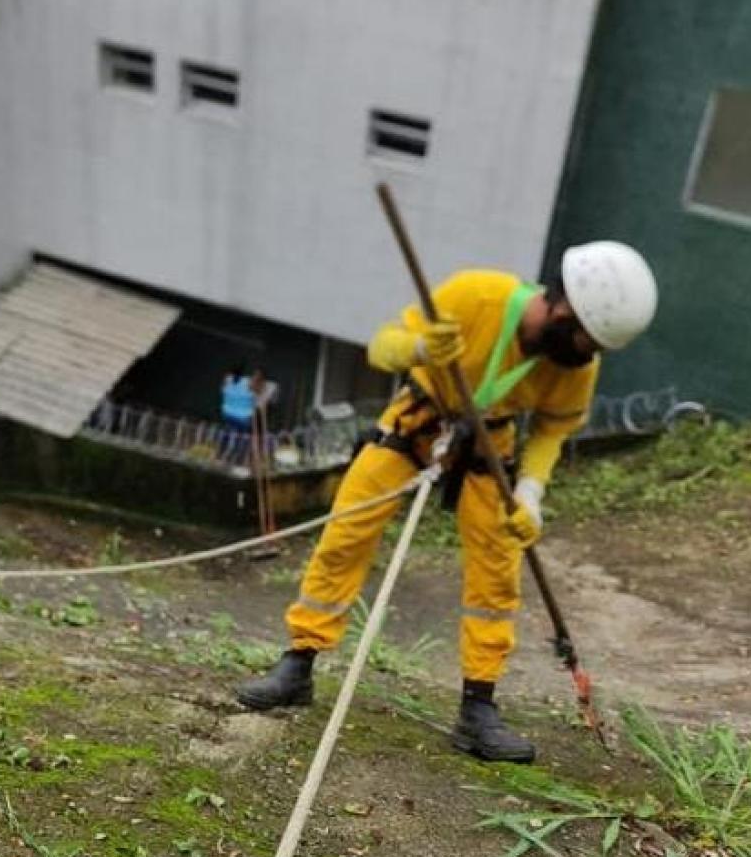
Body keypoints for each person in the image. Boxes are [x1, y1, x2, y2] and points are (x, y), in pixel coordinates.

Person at [234, 243, 658, 763]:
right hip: (417, 422)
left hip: (488, 444)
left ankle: (477, 707)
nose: (586, 355)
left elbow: (553, 429)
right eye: (585, 340)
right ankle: (297, 663)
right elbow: (381, 348)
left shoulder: (575, 365)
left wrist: (531, 492)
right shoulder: (474, 295)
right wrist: (418, 350)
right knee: (347, 533)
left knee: (496, 570)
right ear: (566, 308)